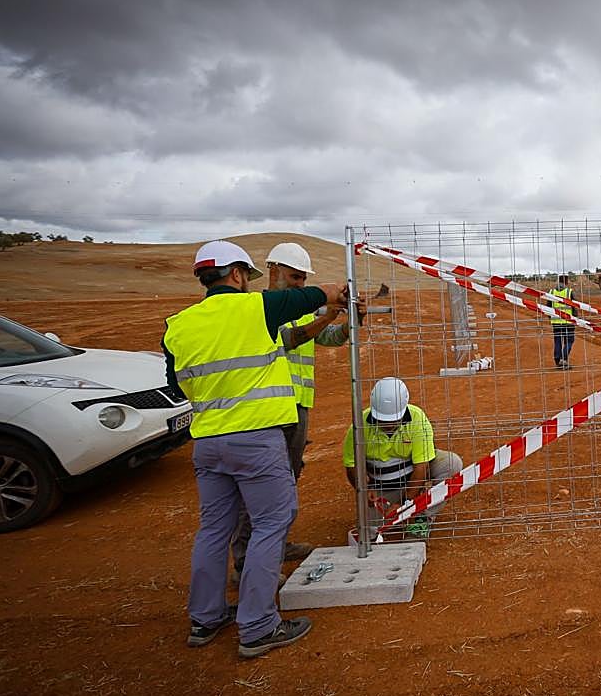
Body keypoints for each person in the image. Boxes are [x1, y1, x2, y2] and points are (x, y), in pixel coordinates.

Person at [163, 240, 347, 659]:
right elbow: (308, 297)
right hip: (256, 438)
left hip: (208, 441)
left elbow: (177, 386)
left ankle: (205, 619)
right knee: (270, 524)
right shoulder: (256, 308)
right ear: (236, 274)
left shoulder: (177, 325)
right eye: (246, 275)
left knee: (213, 530)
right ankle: (259, 626)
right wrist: (334, 293)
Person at [228, 241, 361, 581]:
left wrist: (347, 324)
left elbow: (328, 338)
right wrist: (325, 314)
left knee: (287, 478)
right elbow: (291, 338)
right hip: (267, 408)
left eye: (304, 279)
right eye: (295, 277)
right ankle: (246, 559)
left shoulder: (300, 306)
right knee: (262, 482)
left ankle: (276, 544)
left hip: (297, 405)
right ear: (273, 271)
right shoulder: (259, 309)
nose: (301, 284)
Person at [342, 377, 462, 541]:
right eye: (383, 420)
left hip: (410, 481)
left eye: (393, 420)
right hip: (380, 490)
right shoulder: (358, 426)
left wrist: (406, 502)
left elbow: (421, 466)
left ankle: (421, 518)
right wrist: (363, 489)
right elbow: (352, 466)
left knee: (451, 463)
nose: (388, 424)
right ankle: (384, 513)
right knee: (368, 533)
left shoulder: (417, 418)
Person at [550, 273, 576, 370]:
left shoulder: (551, 292)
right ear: (566, 281)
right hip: (568, 322)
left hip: (556, 322)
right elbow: (575, 307)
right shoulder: (569, 292)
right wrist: (574, 320)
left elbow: (548, 307)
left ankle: (557, 359)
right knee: (569, 340)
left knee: (557, 341)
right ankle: (563, 360)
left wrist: (551, 317)